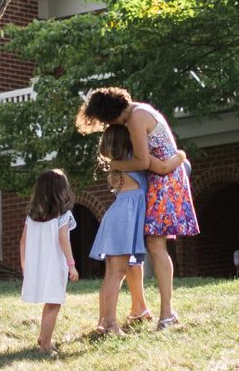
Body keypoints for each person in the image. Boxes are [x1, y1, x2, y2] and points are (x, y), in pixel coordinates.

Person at [76, 86, 199, 330]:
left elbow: (146, 162)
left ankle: (167, 313)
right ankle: (141, 309)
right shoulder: (140, 112)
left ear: (110, 114)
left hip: (165, 180)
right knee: (140, 251)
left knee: (155, 245)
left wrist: (115, 165)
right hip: (158, 178)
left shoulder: (134, 118)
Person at [88, 123, 186, 335]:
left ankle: (103, 321)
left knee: (112, 273)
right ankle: (111, 324)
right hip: (125, 220)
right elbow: (163, 167)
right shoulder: (136, 161)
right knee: (117, 272)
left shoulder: (120, 163)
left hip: (117, 216)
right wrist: (180, 156)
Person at [20, 167, 79, 354]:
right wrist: (72, 265)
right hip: (54, 266)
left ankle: (43, 337)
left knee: (50, 302)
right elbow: (63, 239)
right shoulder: (64, 215)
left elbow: (23, 241)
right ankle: (45, 345)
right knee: (54, 303)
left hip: (37, 266)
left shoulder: (32, 215)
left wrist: (24, 265)